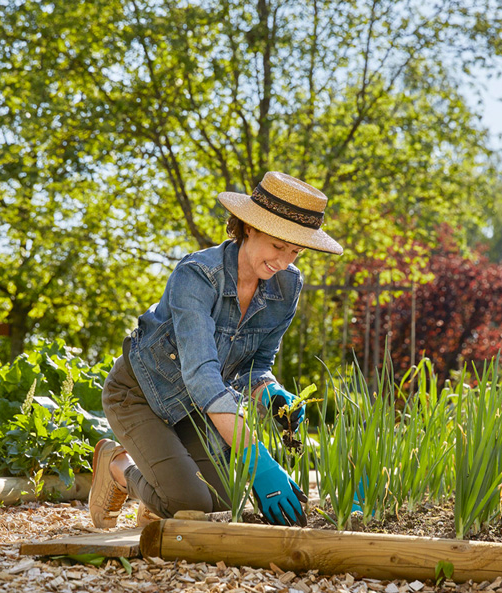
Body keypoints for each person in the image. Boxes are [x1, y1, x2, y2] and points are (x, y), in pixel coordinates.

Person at [88, 171, 343, 529]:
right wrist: (259, 461)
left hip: (193, 409)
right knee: (188, 502)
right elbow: (203, 377)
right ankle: (117, 467)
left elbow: (256, 364)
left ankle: (158, 493)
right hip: (139, 393)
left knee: (223, 500)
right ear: (250, 227)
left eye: (295, 251)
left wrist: (271, 393)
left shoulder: (287, 285)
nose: (284, 262)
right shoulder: (197, 275)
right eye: (277, 246)